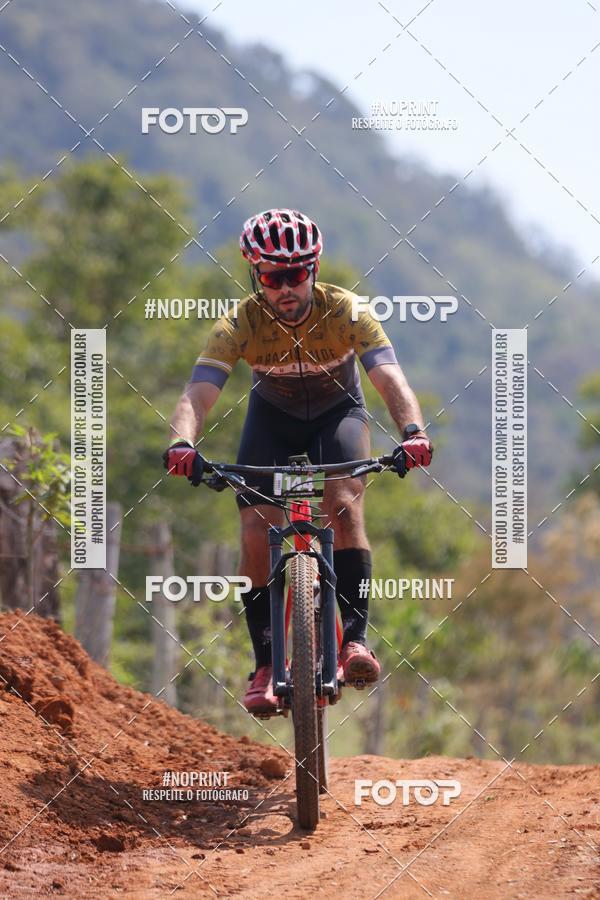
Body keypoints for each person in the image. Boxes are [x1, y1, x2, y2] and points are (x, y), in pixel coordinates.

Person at [163, 209, 433, 714]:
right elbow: (197, 395)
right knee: (253, 527)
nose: (286, 287)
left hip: (338, 415)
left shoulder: (347, 311)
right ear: (254, 274)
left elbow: (391, 381)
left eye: (297, 274)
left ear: (313, 268)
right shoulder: (240, 323)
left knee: (343, 505)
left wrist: (413, 432)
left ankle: (353, 640)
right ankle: (266, 663)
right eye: (272, 277)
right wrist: (182, 443)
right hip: (272, 420)